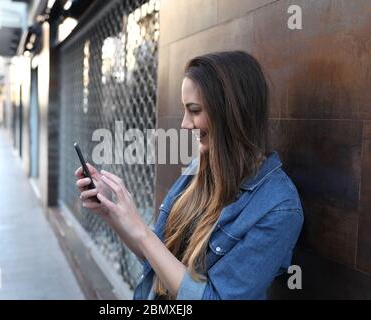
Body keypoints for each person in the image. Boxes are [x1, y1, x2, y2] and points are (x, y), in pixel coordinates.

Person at [74, 51, 304, 300]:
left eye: (194, 110)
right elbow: (155, 259)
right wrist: (110, 210)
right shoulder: (197, 171)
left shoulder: (279, 207)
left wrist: (141, 231)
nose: (185, 124)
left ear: (231, 113)